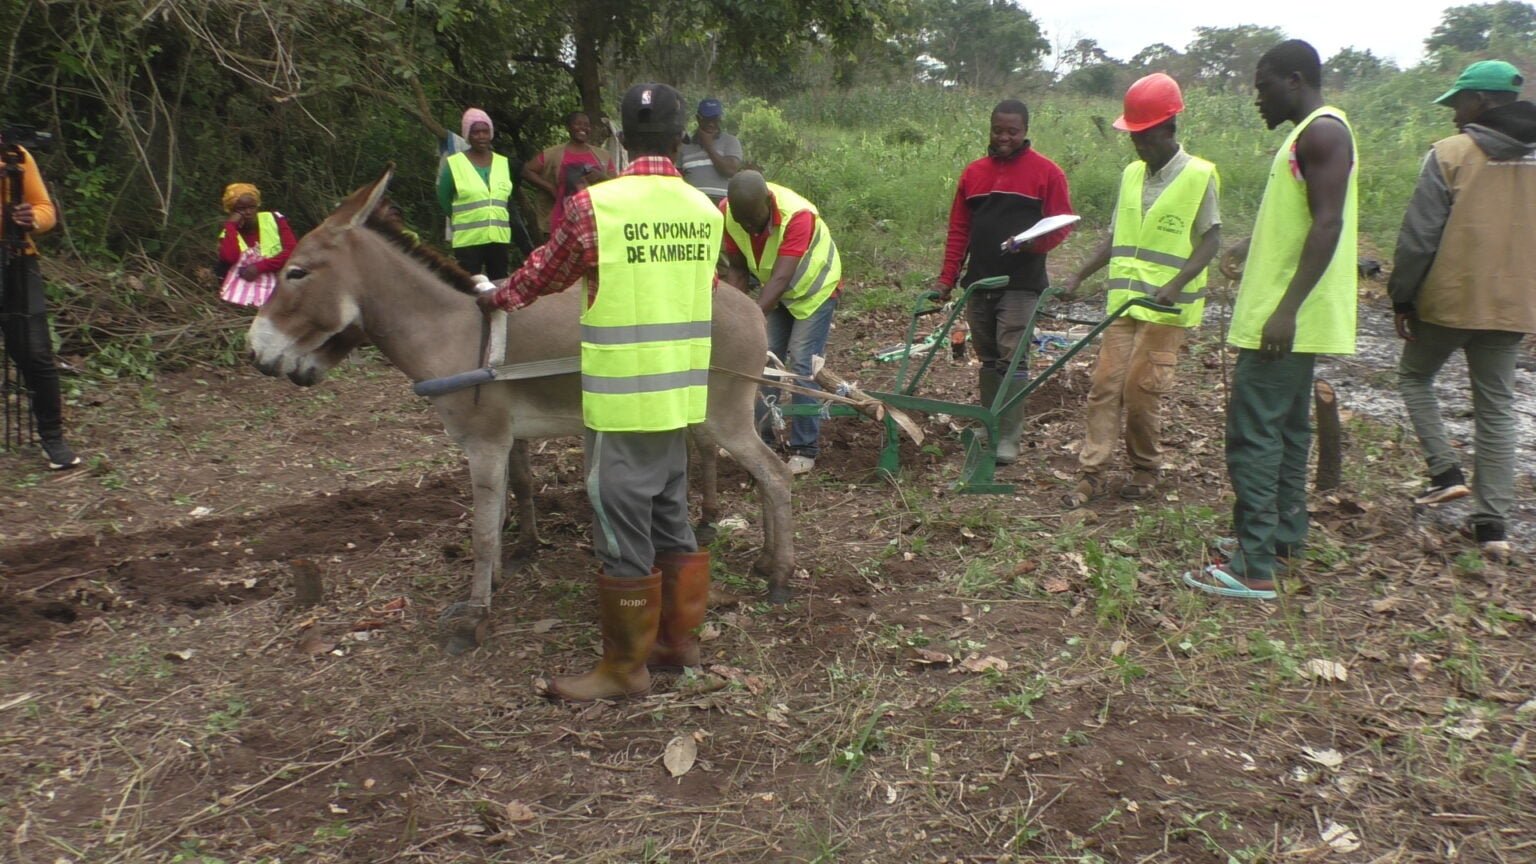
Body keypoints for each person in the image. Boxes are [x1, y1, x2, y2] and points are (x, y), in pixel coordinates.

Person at [480, 83, 721, 702]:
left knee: (618, 522)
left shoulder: (597, 207)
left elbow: (546, 273)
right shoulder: (703, 210)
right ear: (677, 141)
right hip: (679, 394)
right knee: (670, 510)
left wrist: (498, 296)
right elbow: (707, 287)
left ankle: (624, 668)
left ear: (620, 138)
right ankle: (677, 643)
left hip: (623, 398)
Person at [1186, 40, 1359, 600]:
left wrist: (1285, 310)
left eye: (1262, 87)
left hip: (1285, 320)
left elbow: (1327, 225)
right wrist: (1246, 245)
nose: (1256, 99)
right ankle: (1281, 539)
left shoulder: (1323, 132)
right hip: (1289, 317)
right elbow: (1301, 219)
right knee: (1286, 431)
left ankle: (1252, 564)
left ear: (1293, 79)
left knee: (1253, 433)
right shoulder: (1307, 133)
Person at [1389, 60, 1534, 564]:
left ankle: (1445, 473)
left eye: (1458, 102)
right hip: (1516, 303)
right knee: (1497, 409)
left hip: (1448, 300)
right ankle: (1492, 526)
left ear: (1483, 102)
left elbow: (1418, 238)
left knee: (1413, 377)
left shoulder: (1449, 154)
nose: (1453, 114)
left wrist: (1402, 297)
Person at [1060, 74, 1222, 506]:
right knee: (1104, 385)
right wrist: (1079, 275)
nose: (1138, 145)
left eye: (1145, 135)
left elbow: (1211, 239)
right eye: (1133, 136)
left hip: (1165, 309)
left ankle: (1145, 467)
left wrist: (1176, 283)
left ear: (1168, 128)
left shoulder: (1200, 175)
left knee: (1140, 389)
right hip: (1124, 303)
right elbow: (1115, 237)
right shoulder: (1132, 174)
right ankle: (1091, 471)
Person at [936, 99, 1074, 465]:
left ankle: (1009, 435)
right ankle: (991, 420)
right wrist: (946, 280)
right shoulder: (974, 173)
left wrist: (1032, 244)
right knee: (988, 355)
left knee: (1013, 355)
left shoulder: (1047, 173)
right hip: (980, 280)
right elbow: (959, 230)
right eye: (998, 130)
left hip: (1022, 281)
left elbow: (1061, 225)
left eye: (1012, 131)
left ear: (1025, 131)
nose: (1004, 137)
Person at [720, 171, 841, 476]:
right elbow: (736, 270)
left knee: (801, 364)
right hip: (777, 291)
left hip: (814, 290)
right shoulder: (727, 213)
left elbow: (782, 278)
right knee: (761, 358)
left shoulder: (797, 216)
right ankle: (761, 439)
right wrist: (732, 318)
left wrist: (748, 323)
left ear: (767, 202)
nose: (748, 227)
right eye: (742, 220)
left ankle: (805, 449)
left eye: (754, 221)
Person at [1, 130, 80, 469]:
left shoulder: (15, 154)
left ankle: (52, 438)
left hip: (18, 259)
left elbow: (45, 207)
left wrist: (33, 219)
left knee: (35, 352)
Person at [438, 108, 518, 280]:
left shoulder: (503, 163)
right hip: (468, 240)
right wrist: (462, 217)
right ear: (468, 135)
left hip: (498, 238)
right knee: (468, 286)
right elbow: (444, 198)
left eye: (485, 131)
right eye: (476, 132)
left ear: (491, 133)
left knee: (499, 284)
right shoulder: (455, 164)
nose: (481, 136)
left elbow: (506, 199)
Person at [521, 111, 615, 238]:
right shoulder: (553, 154)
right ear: (568, 127)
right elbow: (527, 171)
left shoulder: (603, 155)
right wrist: (550, 188)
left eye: (586, 125)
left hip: (595, 224)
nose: (583, 128)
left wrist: (600, 176)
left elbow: (616, 185)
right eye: (578, 124)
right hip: (561, 224)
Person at [216, 182, 297, 307]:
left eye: (252, 207)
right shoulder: (228, 233)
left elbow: (291, 250)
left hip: (280, 279)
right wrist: (231, 226)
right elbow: (229, 258)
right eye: (241, 209)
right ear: (232, 212)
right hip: (244, 293)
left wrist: (260, 267)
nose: (248, 213)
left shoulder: (274, 219)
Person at [677, 98, 742, 203]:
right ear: (698, 119)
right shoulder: (685, 146)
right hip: (693, 204)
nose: (711, 124)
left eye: (715, 119)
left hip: (721, 204)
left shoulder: (730, 141)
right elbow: (678, 180)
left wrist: (709, 147)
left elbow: (730, 170)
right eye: (707, 119)